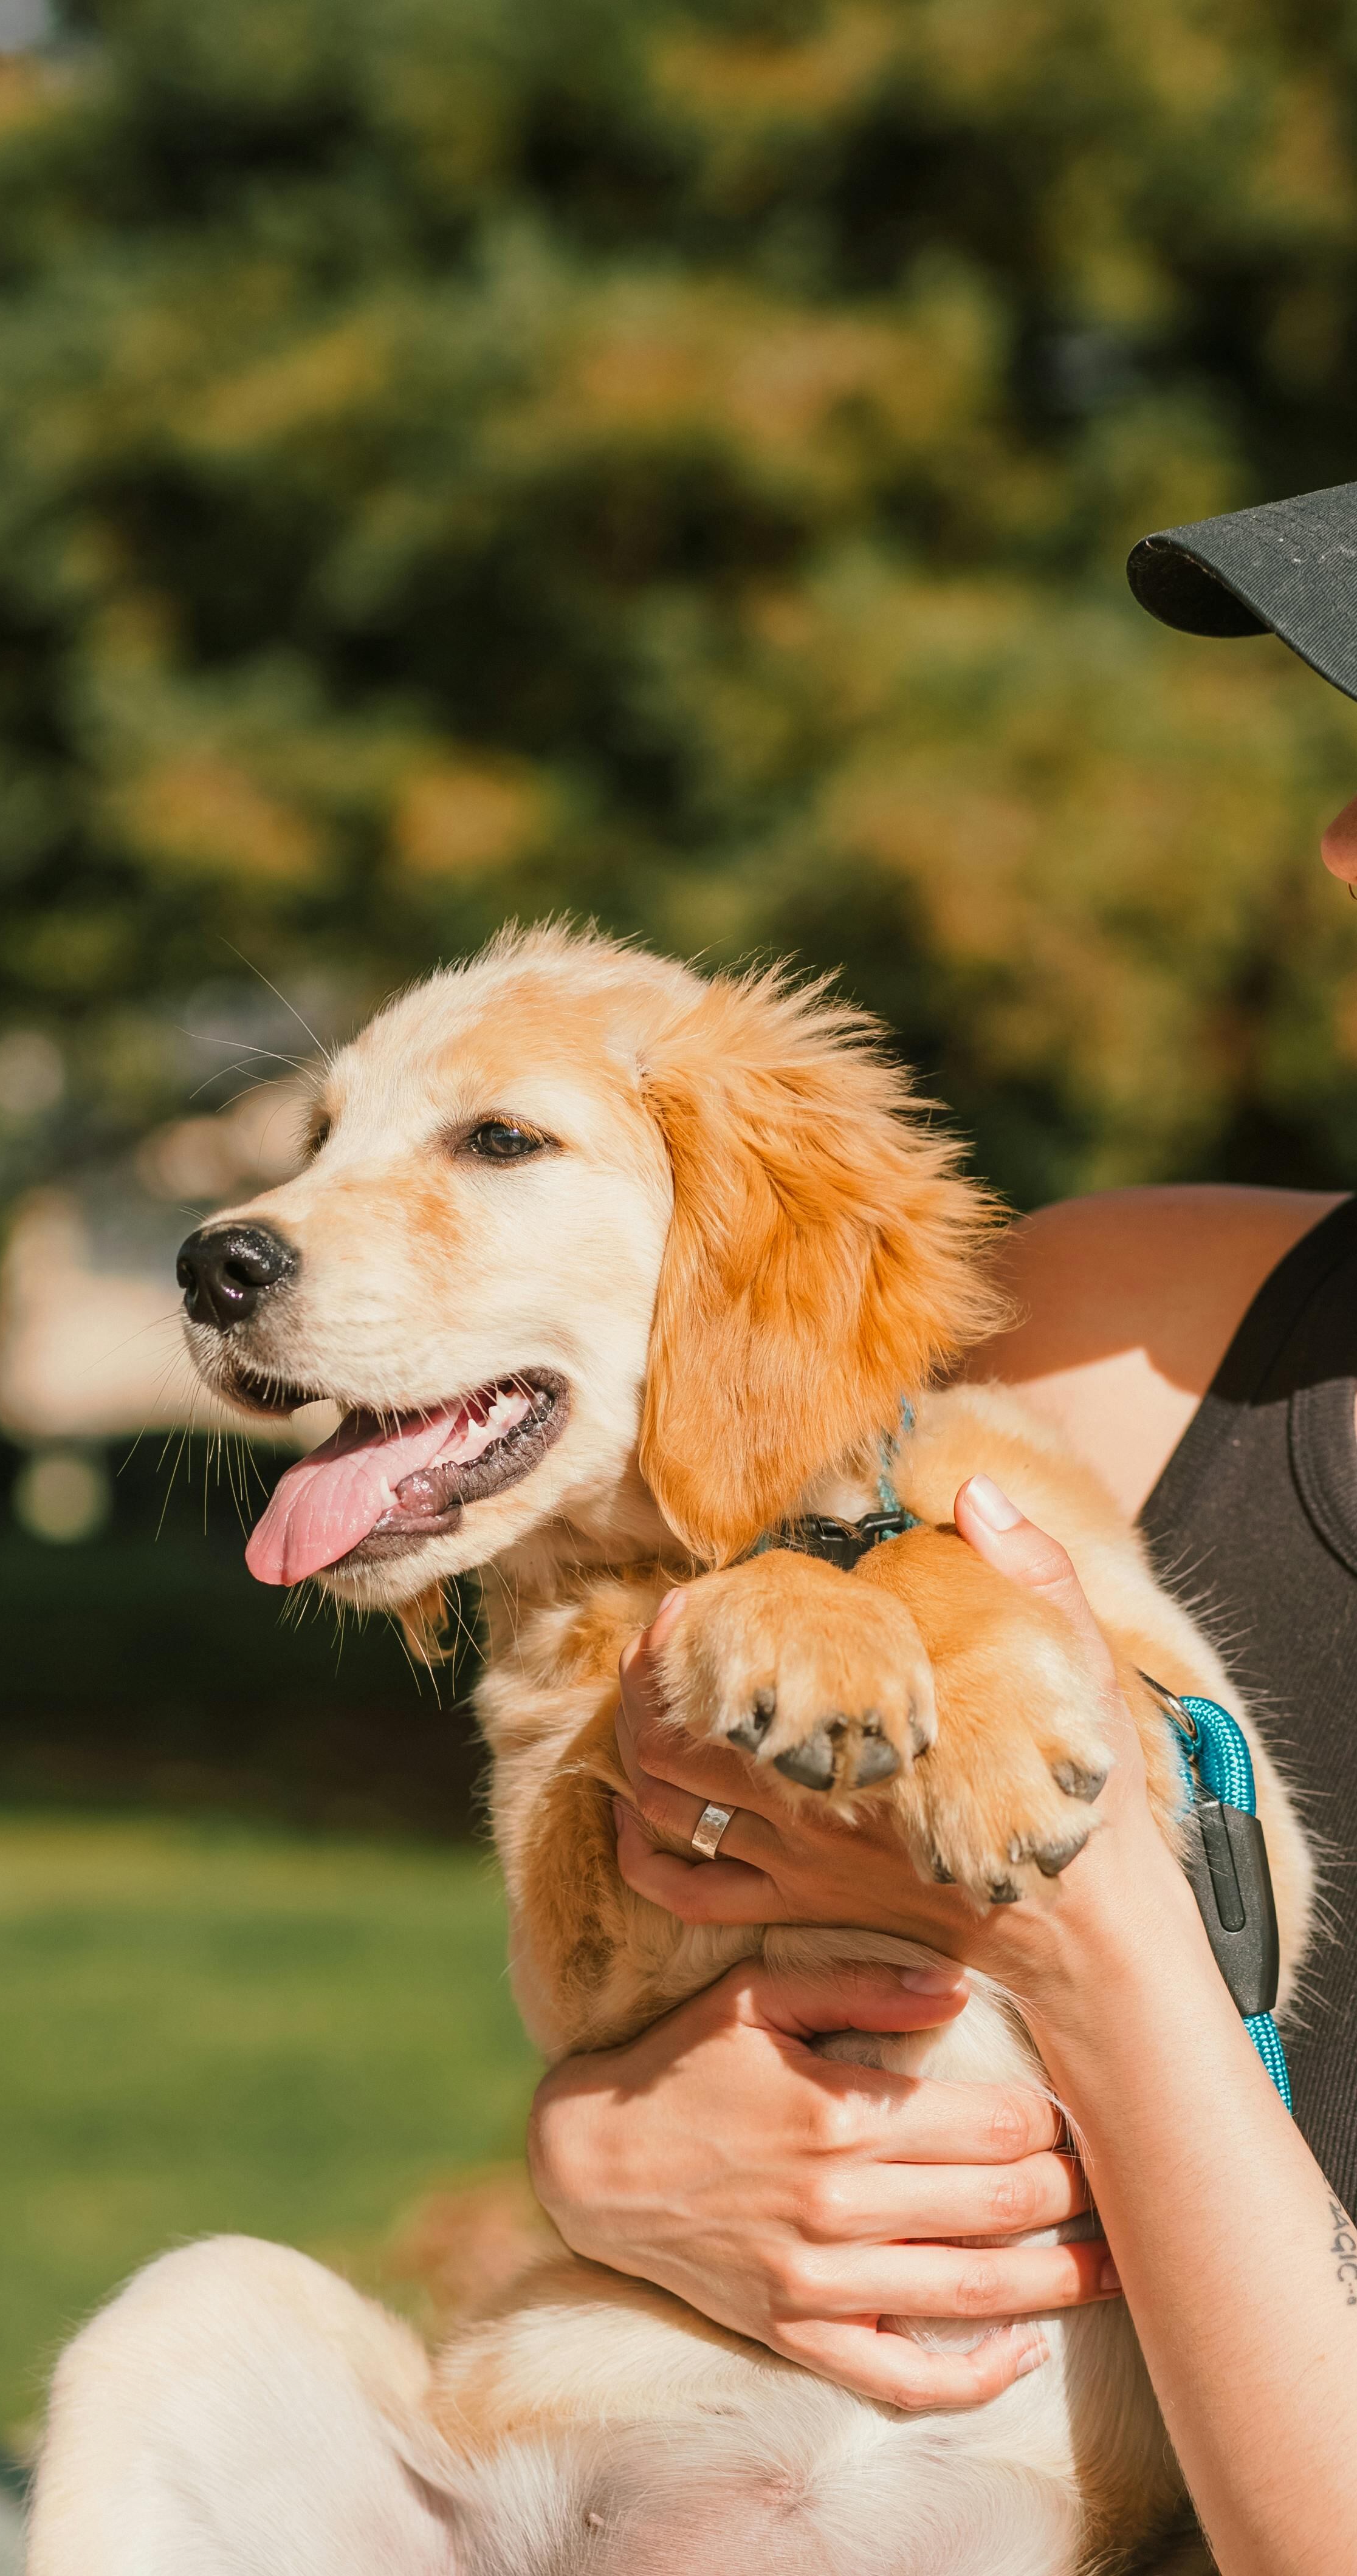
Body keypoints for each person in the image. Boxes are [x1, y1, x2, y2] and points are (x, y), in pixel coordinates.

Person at [527, 483, 1357, 2576]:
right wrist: (622, 2148)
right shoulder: (1104, 1338)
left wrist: (1093, 1946)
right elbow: (658, 1842)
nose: (1342, 852)